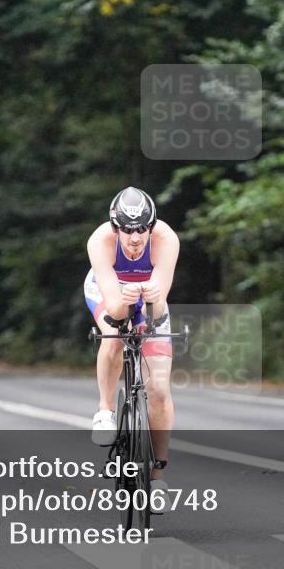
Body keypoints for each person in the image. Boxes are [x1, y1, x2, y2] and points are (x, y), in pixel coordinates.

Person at [83, 187, 179, 502]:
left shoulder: (166, 240)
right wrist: (124, 306)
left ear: (152, 226)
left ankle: (158, 476)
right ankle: (105, 410)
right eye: (127, 229)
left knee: (160, 390)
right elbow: (114, 308)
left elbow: (158, 307)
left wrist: (150, 302)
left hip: (150, 298)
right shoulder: (101, 241)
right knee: (113, 334)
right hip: (109, 292)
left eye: (142, 229)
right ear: (116, 227)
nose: (135, 237)